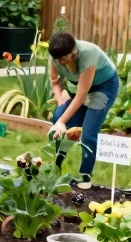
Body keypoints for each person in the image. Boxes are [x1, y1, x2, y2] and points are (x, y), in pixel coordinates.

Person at [48, 31, 119, 189]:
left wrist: (61, 121)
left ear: (73, 52)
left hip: (103, 88)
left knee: (88, 132)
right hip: (80, 89)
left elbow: (81, 96)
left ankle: (85, 177)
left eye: (63, 58)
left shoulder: (88, 53)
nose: (60, 62)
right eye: (57, 59)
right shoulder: (55, 56)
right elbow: (55, 82)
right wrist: (60, 100)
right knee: (58, 120)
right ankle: (56, 167)